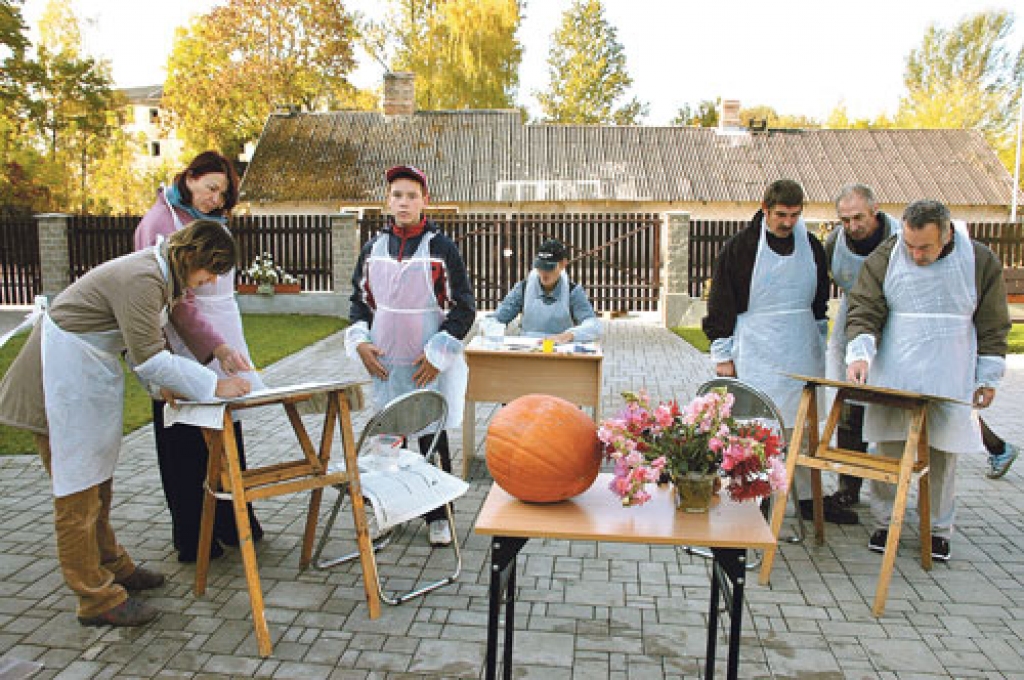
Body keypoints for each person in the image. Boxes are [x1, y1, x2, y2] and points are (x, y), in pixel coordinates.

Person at [0, 220, 252, 627]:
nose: (208, 282)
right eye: (210, 272)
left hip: (84, 374)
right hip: (56, 379)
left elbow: (141, 347)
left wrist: (162, 386)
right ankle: (95, 599)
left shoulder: (159, 278)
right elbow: (151, 357)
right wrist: (214, 386)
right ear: (192, 258)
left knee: (98, 484)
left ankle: (114, 566)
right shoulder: (143, 278)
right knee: (76, 495)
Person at [846, 199, 1011, 561]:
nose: (917, 255)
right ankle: (884, 521)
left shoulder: (979, 260)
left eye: (926, 247)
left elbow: (993, 323)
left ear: (947, 233)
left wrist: (987, 377)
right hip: (897, 367)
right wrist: (859, 354)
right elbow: (865, 306)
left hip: (950, 371)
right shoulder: (887, 256)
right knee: (888, 449)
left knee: (942, 454)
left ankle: (938, 529)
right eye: (911, 246)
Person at [134, 150, 264, 563]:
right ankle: (193, 533)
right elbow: (176, 300)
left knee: (226, 427)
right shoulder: (160, 224)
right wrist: (214, 346)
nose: (215, 199)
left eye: (221, 193)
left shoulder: (206, 219)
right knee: (187, 436)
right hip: (183, 336)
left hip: (219, 328)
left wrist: (226, 344)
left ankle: (232, 517)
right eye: (211, 189)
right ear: (189, 178)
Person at [703, 179, 857, 525]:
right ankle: (752, 497)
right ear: (765, 208)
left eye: (795, 215)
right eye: (781, 215)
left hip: (801, 348)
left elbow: (818, 304)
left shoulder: (812, 248)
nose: (788, 223)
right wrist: (722, 354)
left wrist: (819, 341)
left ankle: (806, 498)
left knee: (800, 432)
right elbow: (721, 303)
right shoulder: (740, 248)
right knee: (756, 429)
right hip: (757, 348)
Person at [345, 165, 476, 547]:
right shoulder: (372, 250)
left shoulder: (441, 248)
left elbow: (463, 307)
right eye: (397, 195)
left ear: (425, 201)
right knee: (386, 444)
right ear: (387, 201)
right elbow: (360, 303)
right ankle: (390, 513)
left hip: (424, 366)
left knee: (430, 441)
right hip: (385, 366)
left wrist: (439, 353)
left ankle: (439, 516)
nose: (403, 202)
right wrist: (360, 344)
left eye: (411, 195)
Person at [822, 184, 900, 509]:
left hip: (895, 317)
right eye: (845, 219)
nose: (853, 226)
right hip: (854, 315)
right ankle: (848, 487)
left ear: (875, 211)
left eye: (859, 218)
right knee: (849, 402)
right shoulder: (834, 244)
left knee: (899, 400)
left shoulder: (898, 238)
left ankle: (891, 486)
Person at [480, 238, 601, 344]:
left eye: (549, 267)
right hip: (528, 350)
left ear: (563, 264)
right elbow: (495, 318)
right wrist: (494, 334)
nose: (544, 273)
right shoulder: (523, 288)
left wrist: (568, 336)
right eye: (540, 266)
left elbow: (594, 326)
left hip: (560, 351)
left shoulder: (573, 291)